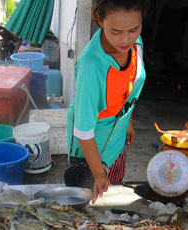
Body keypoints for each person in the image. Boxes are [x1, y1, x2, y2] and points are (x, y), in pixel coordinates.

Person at [66, 0, 147, 203]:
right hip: (92, 146)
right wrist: (99, 173)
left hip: (117, 138)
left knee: (113, 195)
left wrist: (128, 119)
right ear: (100, 20)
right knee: (89, 205)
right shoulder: (91, 66)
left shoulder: (136, 44)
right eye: (116, 31)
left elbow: (130, 83)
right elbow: (83, 130)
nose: (126, 39)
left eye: (134, 29)